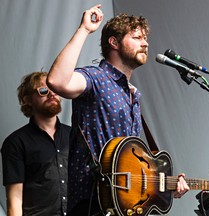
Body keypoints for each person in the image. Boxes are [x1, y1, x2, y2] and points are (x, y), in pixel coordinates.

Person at [47, 4, 189, 216]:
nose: (145, 43)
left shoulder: (133, 94)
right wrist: (84, 30)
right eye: (137, 37)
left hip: (124, 206)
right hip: (93, 203)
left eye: (145, 38)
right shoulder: (95, 78)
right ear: (114, 42)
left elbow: (134, 166)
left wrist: (166, 185)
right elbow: (57, 81)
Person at [1, 72, 71, 216]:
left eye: (55, 89)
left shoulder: (74, 135)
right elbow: (14, 201)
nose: (52, 94)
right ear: (27, 100)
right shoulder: (15, 143)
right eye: (43, 91)